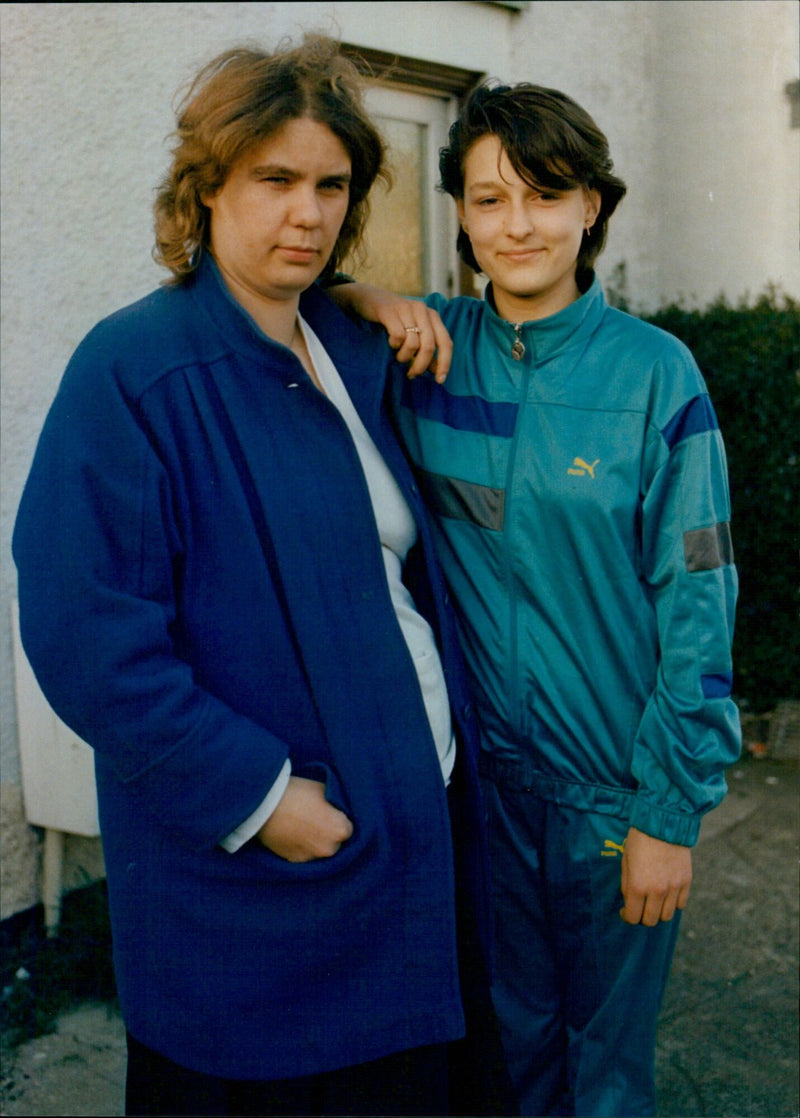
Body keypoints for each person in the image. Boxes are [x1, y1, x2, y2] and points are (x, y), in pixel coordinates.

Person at [12, 39, 515, 1118]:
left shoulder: (350, 344)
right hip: (262, 879)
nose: (307, 212)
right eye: (273, 180)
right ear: (207, 188)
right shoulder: (133, 371)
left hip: (413, 833)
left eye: (330, 184)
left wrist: (367, 302)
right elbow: (82, 627)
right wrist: (254, 795)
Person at [331, 81, 742, 1117]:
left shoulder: (657, 377)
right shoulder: (428, 354)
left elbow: (698, 603)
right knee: (506, 1050)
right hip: (484, 792)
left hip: (613, 793)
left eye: (542, 195)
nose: (515, 225)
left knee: (604, 1069)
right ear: (459, 217)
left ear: (588, 207)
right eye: (485, 199)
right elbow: (290, 308)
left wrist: (665, 811)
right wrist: (366, 297)